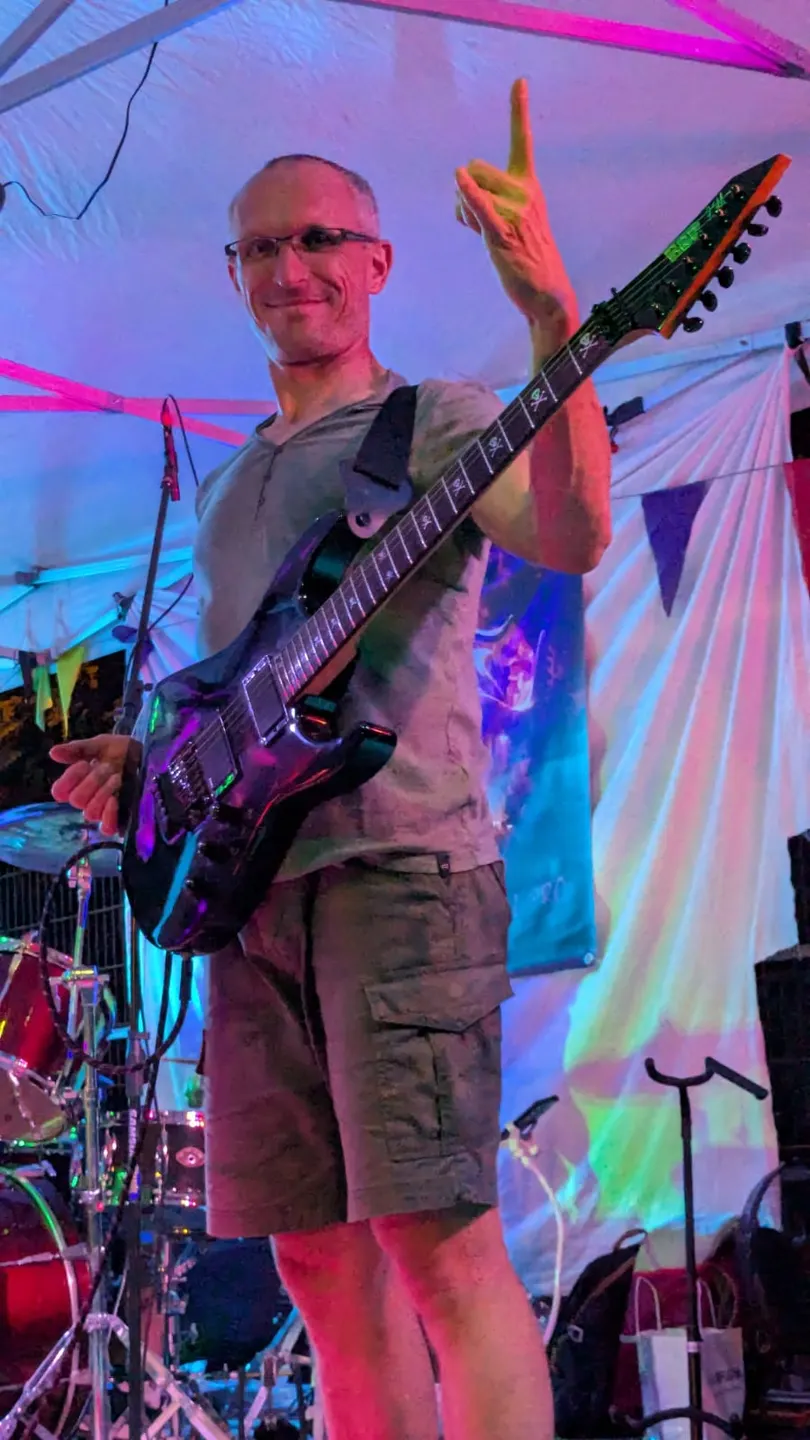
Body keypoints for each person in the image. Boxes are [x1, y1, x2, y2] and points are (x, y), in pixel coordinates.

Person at [51, 78, 611, 1440]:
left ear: (376, 263)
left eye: (317, 239)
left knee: (436, 1243)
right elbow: (229, 690)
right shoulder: (232, 484)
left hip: (400, 875)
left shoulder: (431, 419)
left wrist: (554, 315)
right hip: (252, 901)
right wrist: (152, 758)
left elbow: (573, 533)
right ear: (234, 274)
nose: (290, 267)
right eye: (261, 246)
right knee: (311, 1260)